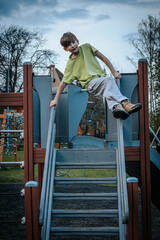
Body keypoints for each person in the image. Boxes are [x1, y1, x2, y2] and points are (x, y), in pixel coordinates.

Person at [50, 32, 141, 119]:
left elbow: (103, 58)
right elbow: (63, 83)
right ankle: (125, 103)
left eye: (73, 42)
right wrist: (56, 99)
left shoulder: (87, 47)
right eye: (69, 45)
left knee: (108, 88)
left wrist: (114, 72)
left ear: (77, 41)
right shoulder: (70, 65)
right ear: (66, 49)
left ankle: (116, 107)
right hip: (90, 84)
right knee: (109, 80)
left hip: (101, 79)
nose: (73, 45)